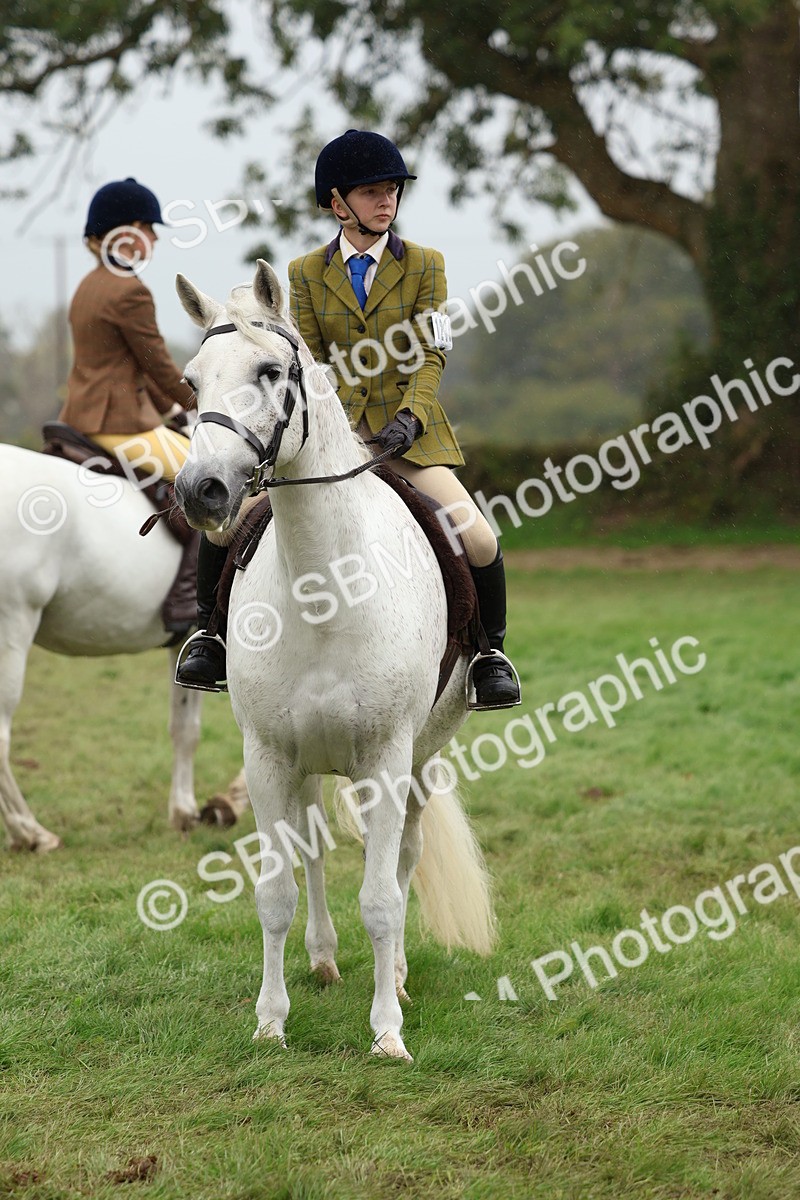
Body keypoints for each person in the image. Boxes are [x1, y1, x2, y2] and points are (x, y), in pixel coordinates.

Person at [177, 131, 521, 709]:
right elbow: (305, 361)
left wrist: (411, 417)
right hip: (329, 438)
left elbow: (432, 351)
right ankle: (210, 635)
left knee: (478, 536)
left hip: (408, 437)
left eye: (391, 190)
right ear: (338, 204)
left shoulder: (425, 266)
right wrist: (334, 431)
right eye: (371, 191)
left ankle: (489, 652)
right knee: (227, 526)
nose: (386, 200)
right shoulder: (305, 273)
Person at [59, 177, 211, 634]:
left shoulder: (91, 284)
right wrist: (204, 401)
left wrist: (172, 411)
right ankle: (189, 598)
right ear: (123, 231)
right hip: (120, 425)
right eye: (147, 226)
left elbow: (128, 371)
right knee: (209, 477)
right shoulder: (130, 291)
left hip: (81, 417)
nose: (155, 237)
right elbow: (160, 368)